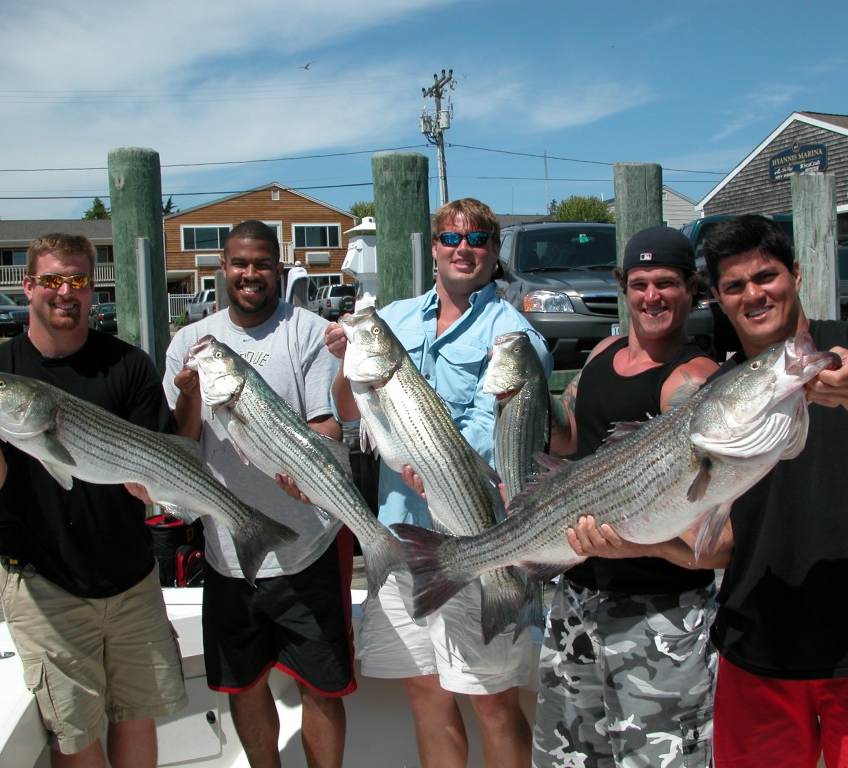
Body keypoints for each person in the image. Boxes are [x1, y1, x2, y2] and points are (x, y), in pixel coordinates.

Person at [700, 214, 848, 766]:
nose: (754, 295)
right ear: (716, 297)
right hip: (754, 650)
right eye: (734, 286)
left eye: (767, 277)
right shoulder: (715, 394)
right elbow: (721, 537)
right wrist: (632, 539)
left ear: (797, 274)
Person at [0, 233, 187, 767]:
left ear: (91, 289)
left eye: (77, 280)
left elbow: (158, 460)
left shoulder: (129, 366)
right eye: (52, 280)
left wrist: (157, 488)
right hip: (44, 578)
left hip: (130, 575)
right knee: (75, 734)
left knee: (137, 713)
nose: (64, 292)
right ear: (28, 286)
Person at [326, 197, 553, 768]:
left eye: (477, 240)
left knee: (493, 702)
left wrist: (429, 463)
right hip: (398, 539)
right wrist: (343, 362)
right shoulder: (395, 320)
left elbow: (489, 435)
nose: (463, 249)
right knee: (424, 695)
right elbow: (351, 414)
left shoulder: (515, 337)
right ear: (433, 248)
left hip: (474, 539)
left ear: (495, 253)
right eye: (451, 238)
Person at [164, 220, 354, 768]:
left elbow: (327, 424)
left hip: (309, 544)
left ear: (279, 268)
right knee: (243, 684)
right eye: (240, 264)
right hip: (227, 550)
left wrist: (308, 472)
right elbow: (181, 441)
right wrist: (192, 395)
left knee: (322, 686)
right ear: (222, 268)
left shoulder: (310, 332)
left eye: (262, 265)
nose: (251, 275)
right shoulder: (187, 345)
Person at [531, 226, 721, 767]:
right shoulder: (605, 352)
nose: (651, 297)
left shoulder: (693, 380)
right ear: (624, 288)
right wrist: (525, 397)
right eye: (639, 284)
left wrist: (629, 542)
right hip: (577, 595)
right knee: (568, 756)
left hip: (659, 611)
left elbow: (703, 520)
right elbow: (569, 439)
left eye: (666, 284)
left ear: (693, 290)